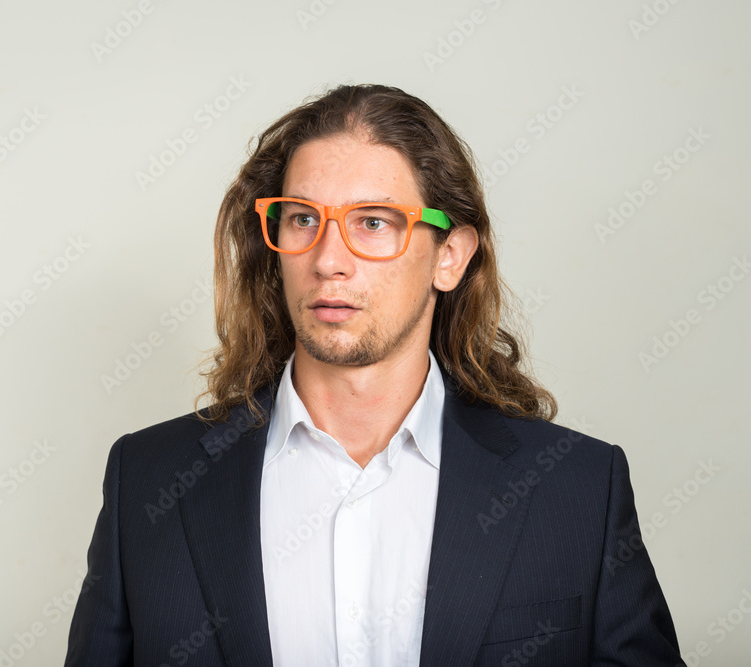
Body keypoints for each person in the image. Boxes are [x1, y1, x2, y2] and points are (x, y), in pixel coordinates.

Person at [64, 84, 682, 666]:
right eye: (302, 219)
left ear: (449, 256)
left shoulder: (576, 490)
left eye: (374, 222)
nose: (329, 260)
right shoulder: (147, 482)